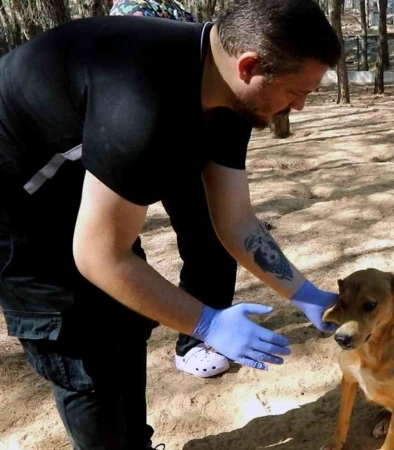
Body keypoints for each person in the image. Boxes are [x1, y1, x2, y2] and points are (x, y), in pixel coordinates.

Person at [0, 1, 341, 448]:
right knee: (82, 347)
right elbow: (99, 255)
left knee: (123, 320)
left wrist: (304, 293)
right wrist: (209, 325)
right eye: (299, 91)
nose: (298, 106)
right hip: (16, 203)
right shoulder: (142, 99)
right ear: (250, 66)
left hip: (77, 177)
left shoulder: (233, 99)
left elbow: (236, 220)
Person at [108, 0, 238, 378]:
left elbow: (237, 222)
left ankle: (196, 338)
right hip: (127, 136)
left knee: (210, 236)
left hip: (185, 137)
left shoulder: (176, 12)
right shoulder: (127, 21)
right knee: (117, 246)